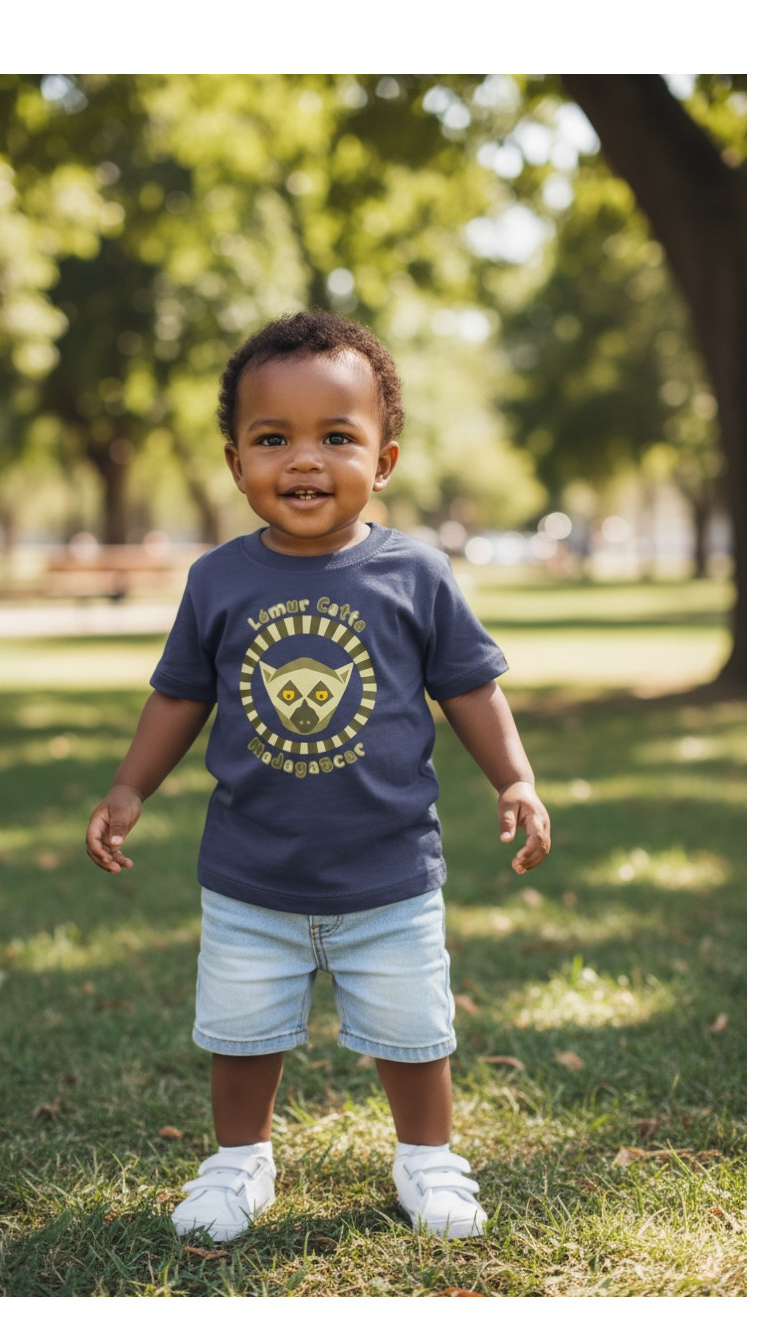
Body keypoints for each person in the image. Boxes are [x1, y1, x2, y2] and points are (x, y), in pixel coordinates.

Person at [85, 311, 551, 1242]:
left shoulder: (415, 573)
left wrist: (515, 778)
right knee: (239, 1030)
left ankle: (427, 1159)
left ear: (383, 461)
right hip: (251, 871)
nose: (304, 460)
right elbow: (179, 696)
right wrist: (131, 787)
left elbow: (469, 685)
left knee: (415, 1030)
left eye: (337, 437)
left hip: (389, 872)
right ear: (235, 464)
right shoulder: (218, 581)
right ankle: (238, 1161)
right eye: (273, 440)